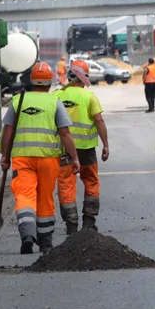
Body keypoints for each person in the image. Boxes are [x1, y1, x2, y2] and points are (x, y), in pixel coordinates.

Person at [0, 63, 79, 254]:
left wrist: (5, 156)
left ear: (31, 80)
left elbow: (8, 131)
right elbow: (65, 133)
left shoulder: (18, 100)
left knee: (25, 196)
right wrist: (75, 158)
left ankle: (27, 235)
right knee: (45, 198)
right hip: (48, 159)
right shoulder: (54, 102)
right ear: (50, 82)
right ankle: (45, 242)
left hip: (22, 158)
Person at [54, 60, 110, 234]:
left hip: (64, 150)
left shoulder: (57, 96)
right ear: (83, 77)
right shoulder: (89, 96)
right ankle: (88, 221)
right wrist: (106, 144)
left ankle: (71, 224)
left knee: (66, 184)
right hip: (86, 149)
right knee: (91, 181)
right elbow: (99, 121)